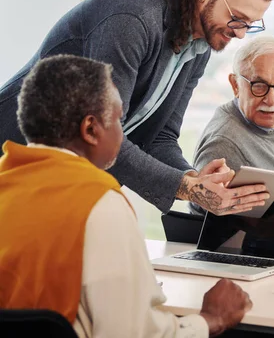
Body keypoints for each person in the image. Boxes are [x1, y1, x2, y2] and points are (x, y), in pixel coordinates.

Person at [0, 0, 274, 215]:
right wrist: (186, 187)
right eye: (237, 18)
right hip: (13, 167)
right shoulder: (132, 21)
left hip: (62, 186)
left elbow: (160, 138)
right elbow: (100, 133)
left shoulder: (198, 48)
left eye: (250, 25)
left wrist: (195, 179)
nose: (241, 33)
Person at [0, 55, 252, 337]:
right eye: (120, 120)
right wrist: (210, 319)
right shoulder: (99, 204)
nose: (123, 135)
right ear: (91, 129)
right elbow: (131, 334)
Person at [190, 35, 274, 215]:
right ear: (235, 85)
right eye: (259, 85)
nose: (271, 100)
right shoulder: (223, 142)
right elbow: (206, 223)